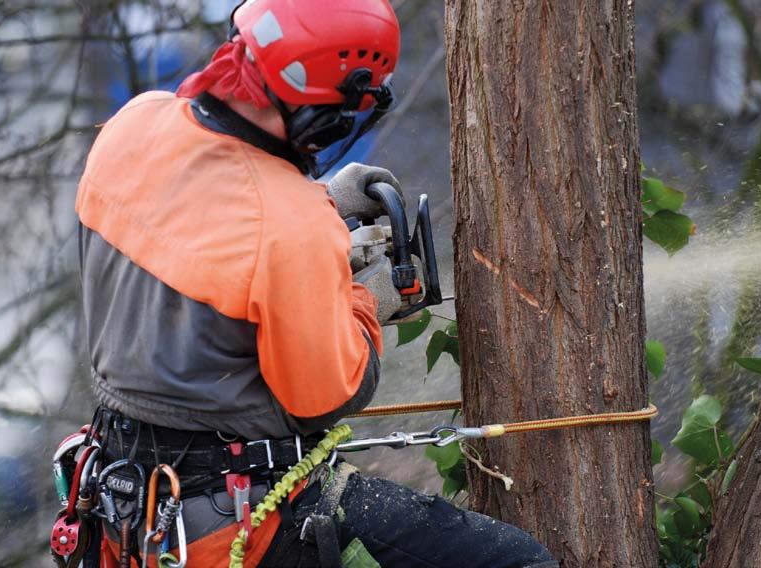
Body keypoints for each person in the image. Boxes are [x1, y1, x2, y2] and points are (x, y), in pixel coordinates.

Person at [73, 0, 558, 566]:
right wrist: (366, 300)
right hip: (236, 520)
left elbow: (201, 208)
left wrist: (320, 203)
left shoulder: (135, 122)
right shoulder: (288, 224)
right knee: (519, 562)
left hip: (121, 495)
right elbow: (328, 396)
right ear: (334, 103)